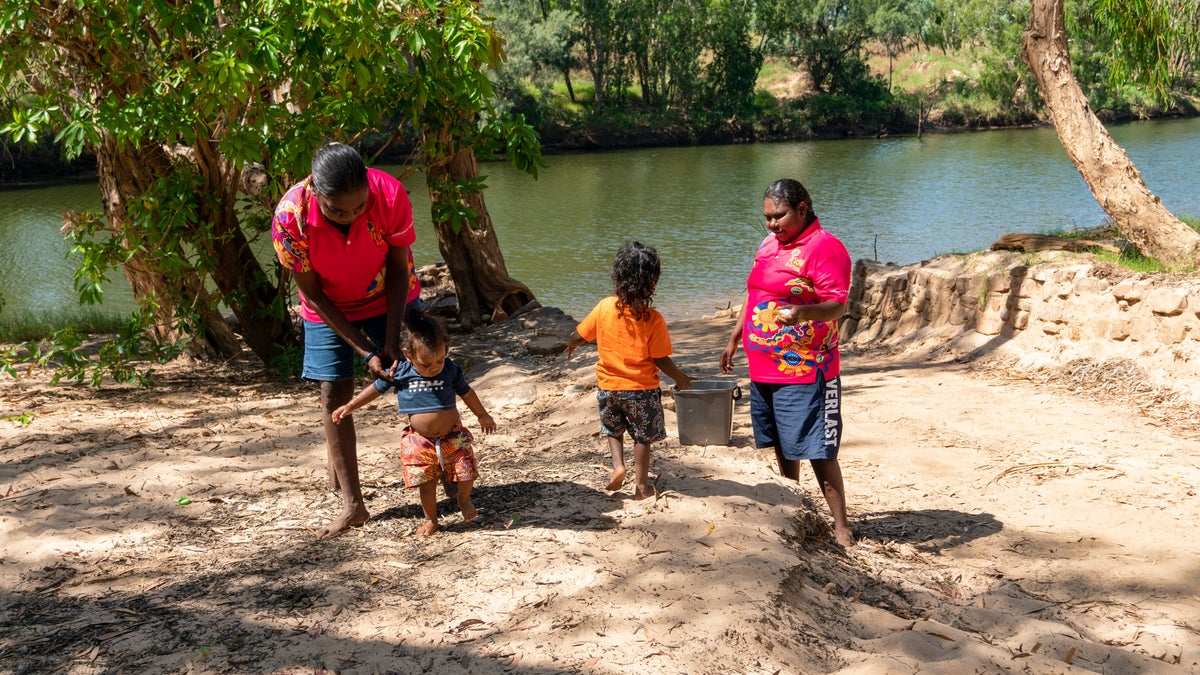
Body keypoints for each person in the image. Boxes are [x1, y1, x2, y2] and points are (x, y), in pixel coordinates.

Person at [272, 141, 422, 540]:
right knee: (334, 394)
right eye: (338, 210)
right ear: (315, 191)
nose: (351, 216)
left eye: (359, 208)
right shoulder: (290, 219)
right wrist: (365, 350)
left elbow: (398, 268)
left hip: (388, 293)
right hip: (328, 305)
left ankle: (437, 470)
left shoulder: (388, 193)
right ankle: (353, 505)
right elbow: (314, 294)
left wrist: (389, 340)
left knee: (417, 376)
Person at [719, 178, 855, 547]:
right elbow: (755, 293)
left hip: (808, 367)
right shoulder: (768, 245)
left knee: (817, 448)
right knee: (782, 441)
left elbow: (837, 304)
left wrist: (802, 313)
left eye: (779, 216)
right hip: (764, 365)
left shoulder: (825, 248)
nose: (772, 225)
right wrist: (735, 337)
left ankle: (841, 527)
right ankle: (793, 507)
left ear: (802, 209)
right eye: (767, 218)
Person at [332, 307, 496, 535]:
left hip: (453, 435)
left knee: (466, 471)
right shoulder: (402, 372)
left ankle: (464, 500)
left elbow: (467, 393)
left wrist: (482, 414)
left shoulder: (450, 370)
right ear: (408, 354)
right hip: (420, 441)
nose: (434, 368)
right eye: (426, 364)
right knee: (426, 484)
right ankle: (431, 519)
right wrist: (350, 405)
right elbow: (376, 389)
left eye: (439, 360)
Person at [567, 241, 692, 500]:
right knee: (641, 437)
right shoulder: (652, 319)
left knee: (613, 429)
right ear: (651, 284)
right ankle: (641, 487)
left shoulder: (603, 307)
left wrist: (570, 344)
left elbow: (580, 334)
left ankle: (618, 466)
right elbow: (661, 360)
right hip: (641, 390)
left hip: (608, 387)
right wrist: (681, 378)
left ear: (617, 277)